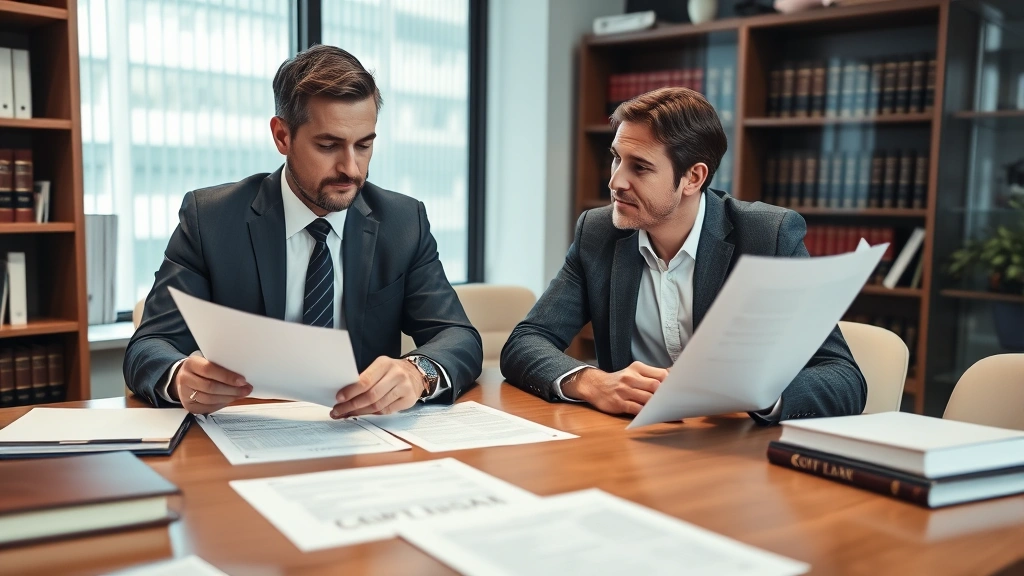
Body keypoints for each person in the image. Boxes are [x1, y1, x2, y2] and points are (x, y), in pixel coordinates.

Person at [125, 45, 482, 417]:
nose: (351, 168)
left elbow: (459, 337)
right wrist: (180, 375)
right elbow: (149, 344)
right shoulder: (211, 220)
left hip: (361, 436)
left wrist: (416, 372)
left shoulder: (403, 222)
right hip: (245, 432)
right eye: (328, 145)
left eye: (364, 145)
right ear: (282, 136)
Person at [500, 87, 865, 423]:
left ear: (693, 178)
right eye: (616, 159)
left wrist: (753, 393)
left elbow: (843, 378)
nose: (615, 181)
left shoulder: (767, 238)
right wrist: (593, 383)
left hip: (737, 453)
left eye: (639, 167)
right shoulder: (598, 233)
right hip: (633, 446)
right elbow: (525, 342)